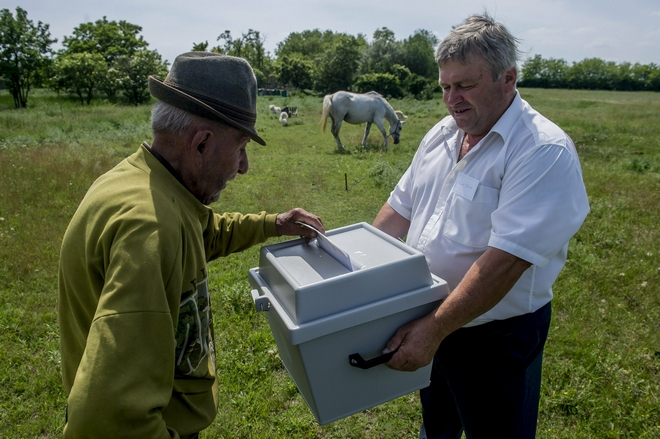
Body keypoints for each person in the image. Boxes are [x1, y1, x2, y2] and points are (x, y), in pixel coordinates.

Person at [58, 52, 325, 438]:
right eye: (240, 148)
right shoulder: (149, 229)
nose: (243, 166)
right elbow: (107, 419)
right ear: (201, 144)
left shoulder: (146, 184)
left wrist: (272, 224)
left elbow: (202, 232)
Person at [372, 13, 590, 439]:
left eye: (466, 85)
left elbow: (504, 263)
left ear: (508, 78)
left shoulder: (542, 150)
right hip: (430, 316)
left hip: (496, 337)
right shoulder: (442, 133)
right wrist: (360, 272)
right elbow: (399, 209)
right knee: (437, 426)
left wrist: (433, 329)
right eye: (445, 87)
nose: (453, 99)